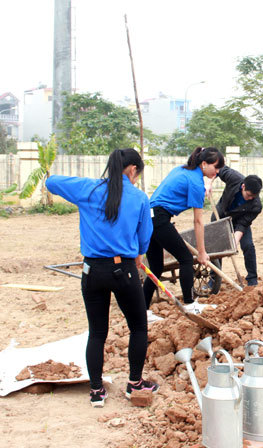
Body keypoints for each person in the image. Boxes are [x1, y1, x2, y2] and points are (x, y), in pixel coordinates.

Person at [46, 148, 158, 408]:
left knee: (97, 332)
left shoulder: (89, 189)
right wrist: (138, 254)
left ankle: (96, 390)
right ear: (132, 170)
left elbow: (51, 182)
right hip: (125, 270)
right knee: (138, 327)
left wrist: (85, 185)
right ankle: (134, 384)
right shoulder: (140, 198)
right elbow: (144, 238)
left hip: (92, 271)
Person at [144, 147, 224, 312]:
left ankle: (142, 310)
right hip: (159, 217)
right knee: (186, 259)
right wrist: (201, 252)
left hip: (148, 216)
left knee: (156, 267)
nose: (217, 172)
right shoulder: (196, 183)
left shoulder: (182, 170)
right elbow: (198, 221)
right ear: (203, 163)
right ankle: (190, 304)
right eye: (215, 167)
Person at [213, 168, 263, 286]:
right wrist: (208, 183)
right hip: (220, 216)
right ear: (243, 186)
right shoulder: (234, 178)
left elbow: (242, 225)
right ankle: (213, 280)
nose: (251, 198)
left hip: (239, 220)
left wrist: (234, 243)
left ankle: (252, 280)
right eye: (249, 195)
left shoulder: (256, 206)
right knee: (216, 248)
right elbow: (217, 168)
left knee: (248, 246)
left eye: (253, 196)